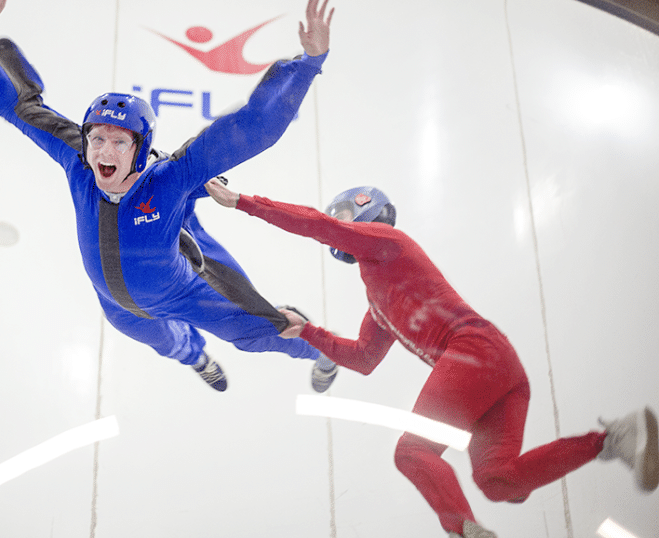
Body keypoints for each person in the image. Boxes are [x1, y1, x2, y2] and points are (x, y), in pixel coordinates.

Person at [204, 179, 658, 537]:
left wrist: (243, 202)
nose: (335, 225)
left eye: (343, 214)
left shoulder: (388, 241)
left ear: (367, 208)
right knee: (498, 481)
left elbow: (320, 227)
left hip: (473, 352)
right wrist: (308, 331)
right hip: (499, 368)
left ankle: (462, 531)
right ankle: (613, 438)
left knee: (412, 452)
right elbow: (363, 359)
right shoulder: (378, 300)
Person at [0, 0, 340, 393]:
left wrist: (310, 61)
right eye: (97, 139)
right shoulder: (78, 161)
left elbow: (255, 129)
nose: (103, 152)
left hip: (184, 292)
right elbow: (20, 107)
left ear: (141, 151)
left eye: (120, 141)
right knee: (171, 345)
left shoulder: (170, 177)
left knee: (259, 334)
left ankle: (322, 350)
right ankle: (196, 357)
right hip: (119, 308)